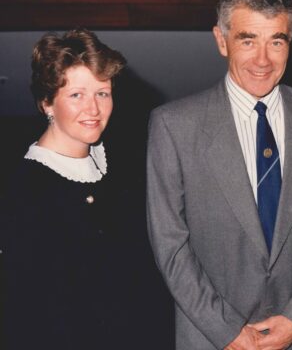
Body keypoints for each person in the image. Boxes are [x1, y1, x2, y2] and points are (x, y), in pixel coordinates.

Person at [146, 0, 292, 350]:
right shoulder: (174, 125)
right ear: (221, 40)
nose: (263, 60)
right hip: (210, 338)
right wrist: (227, 331)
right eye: (247, 40)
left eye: (276, 41)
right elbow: (170, 244)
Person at [0, 28, 173, 349]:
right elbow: (30, 312)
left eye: (102, 93)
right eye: (77, 95)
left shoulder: (124, 159)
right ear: (47, 103)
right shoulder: (24, 192)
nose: (93, 109)